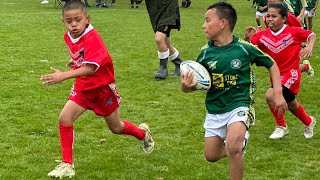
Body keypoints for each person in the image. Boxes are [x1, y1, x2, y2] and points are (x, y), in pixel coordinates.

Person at [41, 1, 154, 178]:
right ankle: (67, 165)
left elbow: (92, 68)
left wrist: (64, 75)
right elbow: (83, 57)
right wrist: (76, 60)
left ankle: (142, 134)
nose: (73, 24)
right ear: (62, 21)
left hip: (102, 89)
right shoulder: (68, 36)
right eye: (69, 21)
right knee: (64, 118)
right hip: (83, 88)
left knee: (116, 127)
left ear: (87, 19)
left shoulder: (92, 37)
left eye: (78, 20)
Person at [181, 2, 287, 179]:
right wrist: (186, 86)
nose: (203, 25)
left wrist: (277, 92)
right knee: (211, 155)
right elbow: (194, 84)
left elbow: (272, 64)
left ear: (223, 23)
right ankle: (237, 146)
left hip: (240, 104)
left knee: (233, 147)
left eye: (207, 20)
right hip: (215, 109)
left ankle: (236, 147)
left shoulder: (244, 49)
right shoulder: (205, 53)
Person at [245, 3, 317, 139]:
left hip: (292, 74)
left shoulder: (293, 32)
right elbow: (248, 49)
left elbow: (311, 35)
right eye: (268, 16)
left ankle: (281, 126)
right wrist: (247, 38)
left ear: (284, 18)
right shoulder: (262, 36)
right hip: (276, 76)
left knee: (270, 95)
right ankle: (309, 121)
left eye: (274, 16)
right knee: (292, 104)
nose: (269, 19)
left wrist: (310, 46)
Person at [265, 0, 315, 77]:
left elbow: (298, 30)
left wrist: (302, 44)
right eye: (269, 4)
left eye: (272, 3)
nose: (270, 5)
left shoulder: (289, 16)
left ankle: (304, 67)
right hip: (277, 45)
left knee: (287, 69)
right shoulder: (267, 18)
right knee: (283, 68)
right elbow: (269, 30)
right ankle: (305, 66)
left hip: (290, 44)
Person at [145, 0, 183, 80]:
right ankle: (179, 64)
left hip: (168, 10)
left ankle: (163, 68)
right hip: (155, 11)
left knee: (159, 38)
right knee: (166, 42)